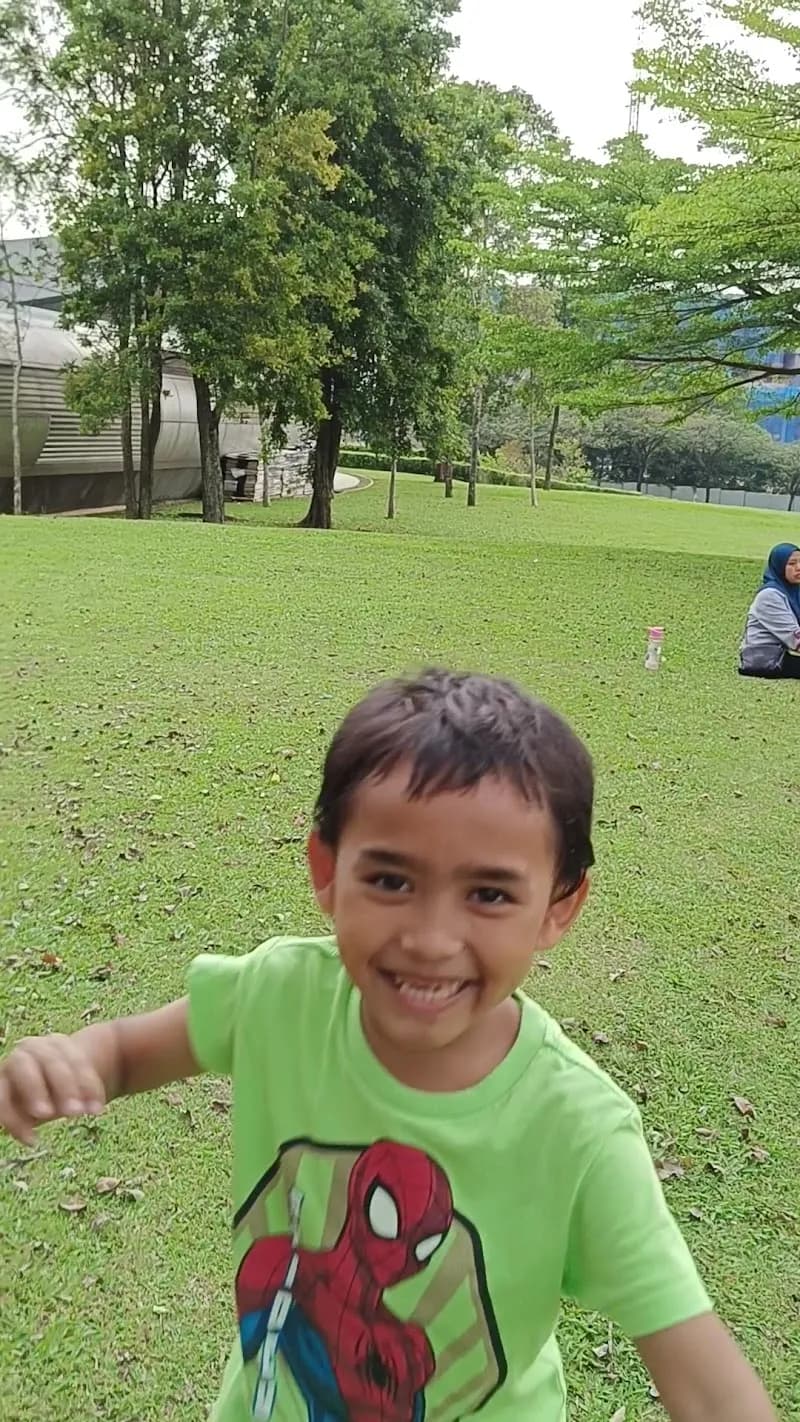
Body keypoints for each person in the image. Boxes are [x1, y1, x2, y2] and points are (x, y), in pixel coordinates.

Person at [0, 670, 777, 1422]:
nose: (432, 939)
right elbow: (127, 1054)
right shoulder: (278, 997)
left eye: (490, 894)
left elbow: (705, 1388)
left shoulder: (578, 1131)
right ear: (327, 873)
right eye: (391, 881)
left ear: (559, 909)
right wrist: (74, 1061)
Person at [739, 541, 800, 678]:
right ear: (779, 566)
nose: (798, 568)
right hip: (767, 658)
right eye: (791, 564)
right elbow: (796, 640)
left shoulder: (795, 592)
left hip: (787, 654)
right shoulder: (769, 596)